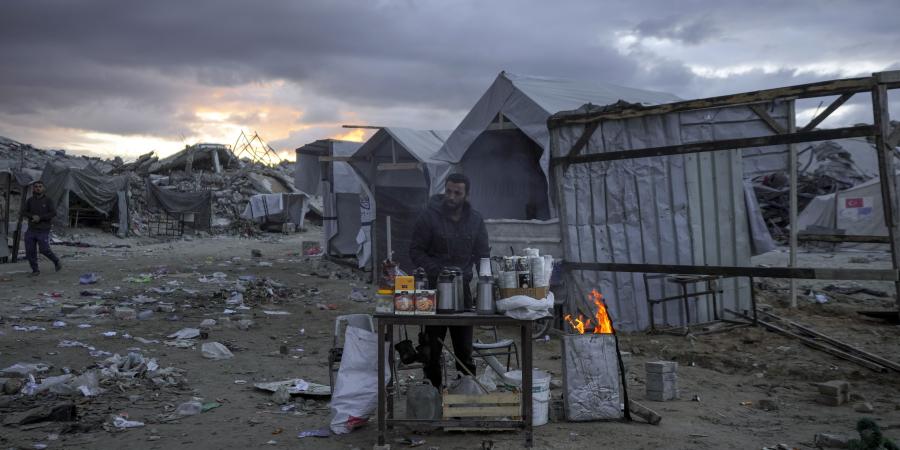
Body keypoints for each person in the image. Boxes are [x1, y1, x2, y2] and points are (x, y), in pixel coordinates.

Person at [409, 173, 489, 389]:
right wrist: (438, 270)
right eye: (449, 191)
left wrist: (486, 285)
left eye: (457, 193)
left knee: (464, 353)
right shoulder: (429, 217)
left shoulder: (475, 220)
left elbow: (483, 256)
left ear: (466, 195)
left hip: (462, 296)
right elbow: (415, 251)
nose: (451, 197)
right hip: (432, 295)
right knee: (431, 352)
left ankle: (464, 402)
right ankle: (434, 400)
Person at [23, 181, 61, 276]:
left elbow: (53, 213)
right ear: (33, 189)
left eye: (40, 186)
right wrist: (32, 216)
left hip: (43, 229)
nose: (38, 188)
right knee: (30, 251)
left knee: (44, 249)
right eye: (36, 187)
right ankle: (35, 270)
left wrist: (40, 218)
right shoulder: (30, 200)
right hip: (31, 229)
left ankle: (56, 261)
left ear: (43, 188)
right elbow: (23, 212)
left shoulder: (48, 200)